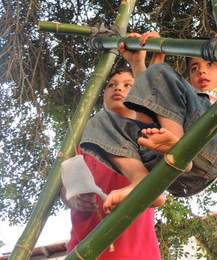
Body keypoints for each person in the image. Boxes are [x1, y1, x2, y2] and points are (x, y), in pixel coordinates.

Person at [80, 35, 217, 214]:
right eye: (194, 68)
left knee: (160, 72)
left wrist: (156, 64)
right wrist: (138, 63)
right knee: (99, 122)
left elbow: (157, 79)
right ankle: (142, 182)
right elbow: (148, 113)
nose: (201, 71)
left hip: (213, 142)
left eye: (210, 64)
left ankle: (178, 147)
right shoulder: (184, 104)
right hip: (176, 175)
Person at [60, 32, 165, 259]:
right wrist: (72, 198)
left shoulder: (146, 135)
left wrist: (150, 58)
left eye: (128, 85)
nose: (118, 89)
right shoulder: (85, 143)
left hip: (136, 252)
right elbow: (65, 187)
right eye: (111, 85)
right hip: (83, 248)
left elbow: (153, 100)